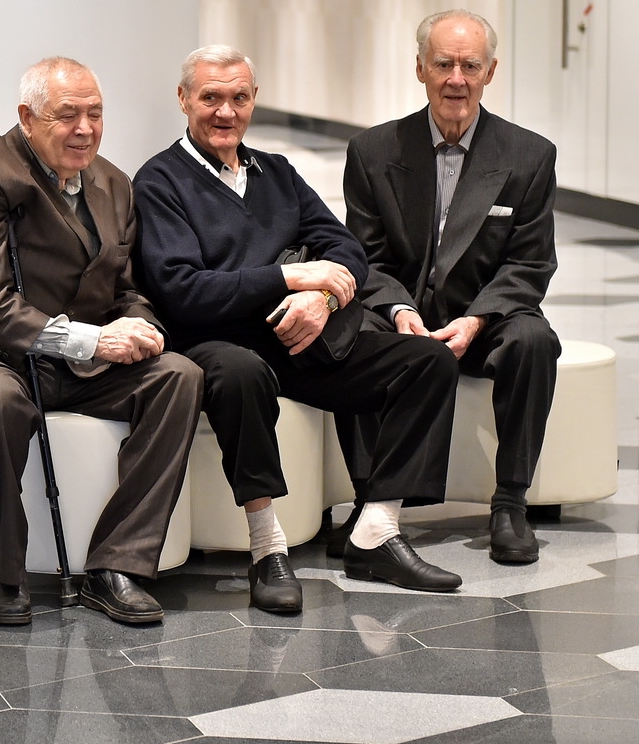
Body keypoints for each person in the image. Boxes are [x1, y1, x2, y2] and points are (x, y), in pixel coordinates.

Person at [134, 46, 463, 602]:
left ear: (254, 100)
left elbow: (346, 250)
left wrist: (323, 301)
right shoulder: (160, 181)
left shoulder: (276, 172)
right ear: (184, 99)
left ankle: (376, 529)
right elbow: (182, 290)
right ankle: (267, 550)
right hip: (216, 341)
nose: (225, 112)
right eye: (211, 97)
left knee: (429, 362)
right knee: (241, 374)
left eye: (239, 98)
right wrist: (288, 278)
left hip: (300, 338)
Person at [0, 57, 203, 627]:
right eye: (67, 115)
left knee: (179, 376)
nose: (85, 129)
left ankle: (117, 565)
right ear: (27, 117)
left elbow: (127, 288)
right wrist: (93, 341)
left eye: (96, 114)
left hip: (78, 363)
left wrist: (139, 328)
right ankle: (6, 571)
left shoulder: (114, 184)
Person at [342, 9, 560, 565]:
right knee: (348, 332)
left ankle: (510, 502)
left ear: (491, 72)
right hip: (404, 313)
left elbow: (530, 263)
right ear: (420, 68)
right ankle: (369, 499)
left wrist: (477, 318)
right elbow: (365, 257)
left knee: (534, 340)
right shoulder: (372, 152)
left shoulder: (530, 156)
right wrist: (397, 310)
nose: (456, 79)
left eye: (470, 65)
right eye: (443, 64)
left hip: (484, 315)